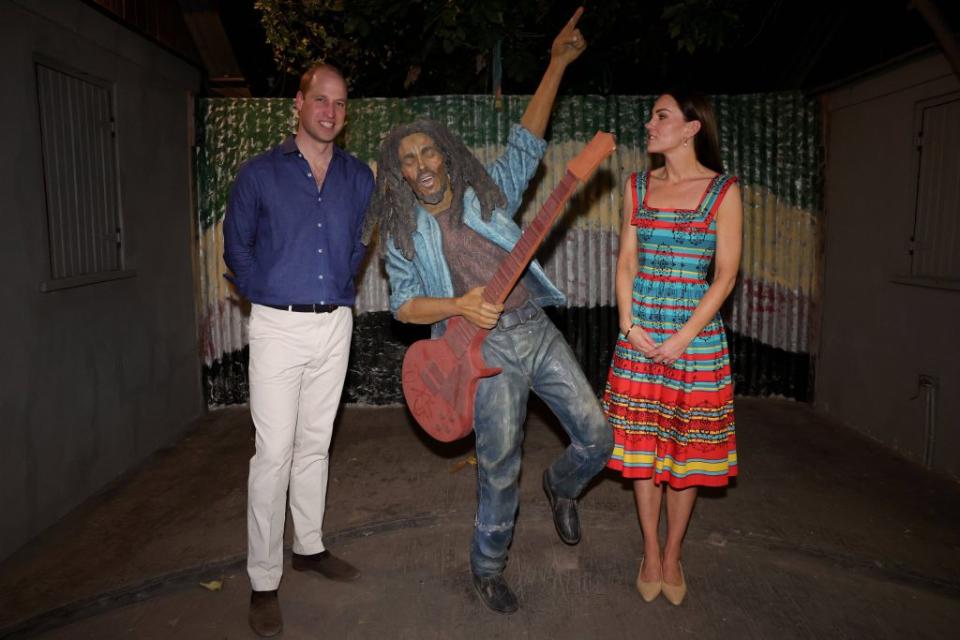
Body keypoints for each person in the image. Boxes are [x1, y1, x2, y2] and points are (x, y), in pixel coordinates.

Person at [363, 7, 612, 615]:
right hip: (483, 352)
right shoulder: (403, 236)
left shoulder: (488, 191)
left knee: (599, 437)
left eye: (429, 154)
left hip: (535, 329)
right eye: (408, 162)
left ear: (446, 154)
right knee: (499, 464)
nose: (422, 168)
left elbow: (527, 140)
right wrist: (458, 306)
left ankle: (562, 486)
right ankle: (488, 566)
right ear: (400, 176)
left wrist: (555, 64)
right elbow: (403, 306)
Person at [222, 62, 374, 637]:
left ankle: (308, 546)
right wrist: (272, 294)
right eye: (320, 100)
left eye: (339, 103)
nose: (330, 112)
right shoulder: (259, 174)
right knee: (274, 453)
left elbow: (362, 242)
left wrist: (335, 289)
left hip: (335, 322)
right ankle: (263, 579)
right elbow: (237, 251)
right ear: (299, 102)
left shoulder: (359, 177)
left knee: (316, 443)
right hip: (276, 326)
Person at [602, 90, 742, 606]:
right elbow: (625, 262)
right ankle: (650, 550)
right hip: (639, 337)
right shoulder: (637, 187)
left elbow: (725, 276)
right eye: (652, 115)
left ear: (690, 128)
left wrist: (683, 337)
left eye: (661, 115)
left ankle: (674, 552)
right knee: (642, 452)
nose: (650, 123)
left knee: (685, 454)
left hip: (695, 339)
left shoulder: (723, 191)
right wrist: (628, 323)